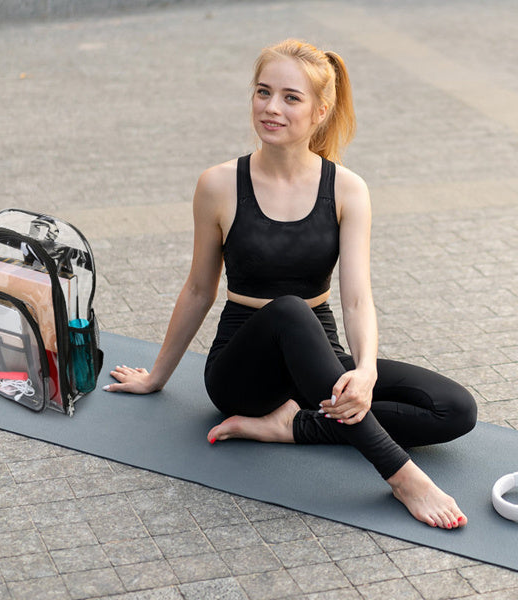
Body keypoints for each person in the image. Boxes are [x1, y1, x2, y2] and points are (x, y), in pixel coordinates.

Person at [103, 39, 477, 529]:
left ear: (321, 111)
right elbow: (199, 290)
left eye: (290, 97)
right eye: (263, 92)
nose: (271, 108)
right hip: (242, 372)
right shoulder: (218, 184)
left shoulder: (346, 188)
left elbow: (358, 297)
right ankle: (402, 476)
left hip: (314, 363)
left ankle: (292, 428)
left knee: (454, 408)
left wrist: (363, 372)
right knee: (288, 309)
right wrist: (157, 377)